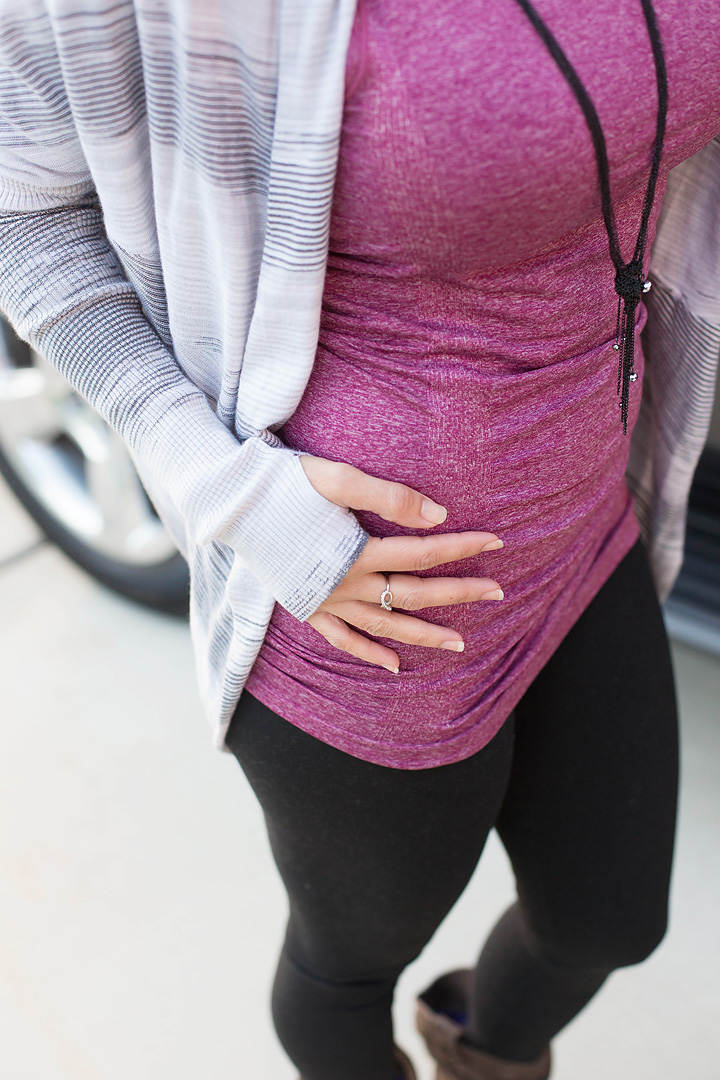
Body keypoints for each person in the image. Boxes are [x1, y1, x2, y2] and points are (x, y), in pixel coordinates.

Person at [0, 2, 719, 1079]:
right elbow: (26, 217)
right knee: (346, 974)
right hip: (366, 609)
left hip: (587, 517)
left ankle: (483, 1049)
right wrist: (223, 491)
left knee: (610, 921)